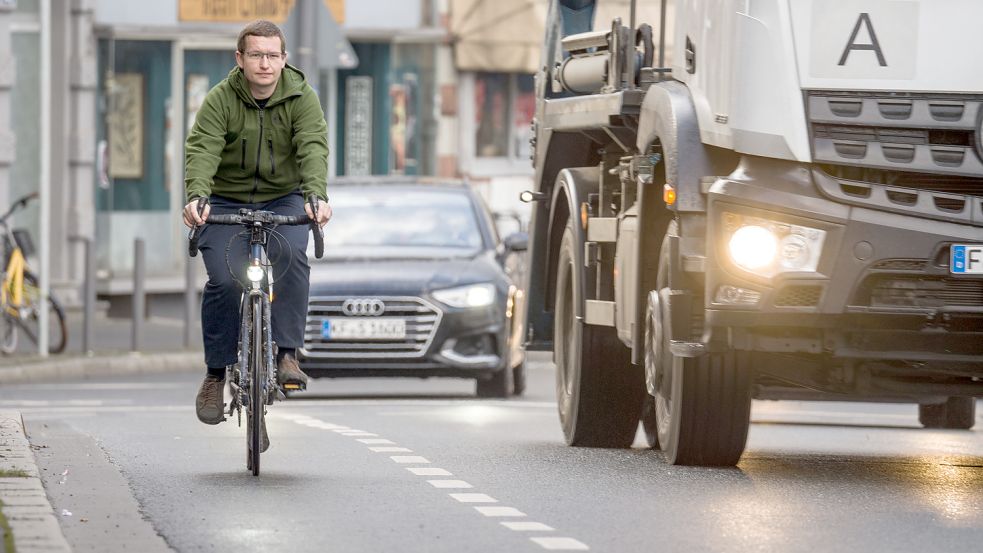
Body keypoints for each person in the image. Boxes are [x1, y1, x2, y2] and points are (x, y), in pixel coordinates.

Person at [182, 20, 331, 448]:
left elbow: (313, 147)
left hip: (284, 197)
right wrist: (198, 197)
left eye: (272, 55)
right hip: (225, 202)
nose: (265, 63)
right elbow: (203, 148)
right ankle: (215, 373)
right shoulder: (220, 100)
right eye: (256, 55)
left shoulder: (302, 98)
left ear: (284, 59)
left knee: (292, 260)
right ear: (240, 59)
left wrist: (315, 197)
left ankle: (286, 355)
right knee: (226, 281)